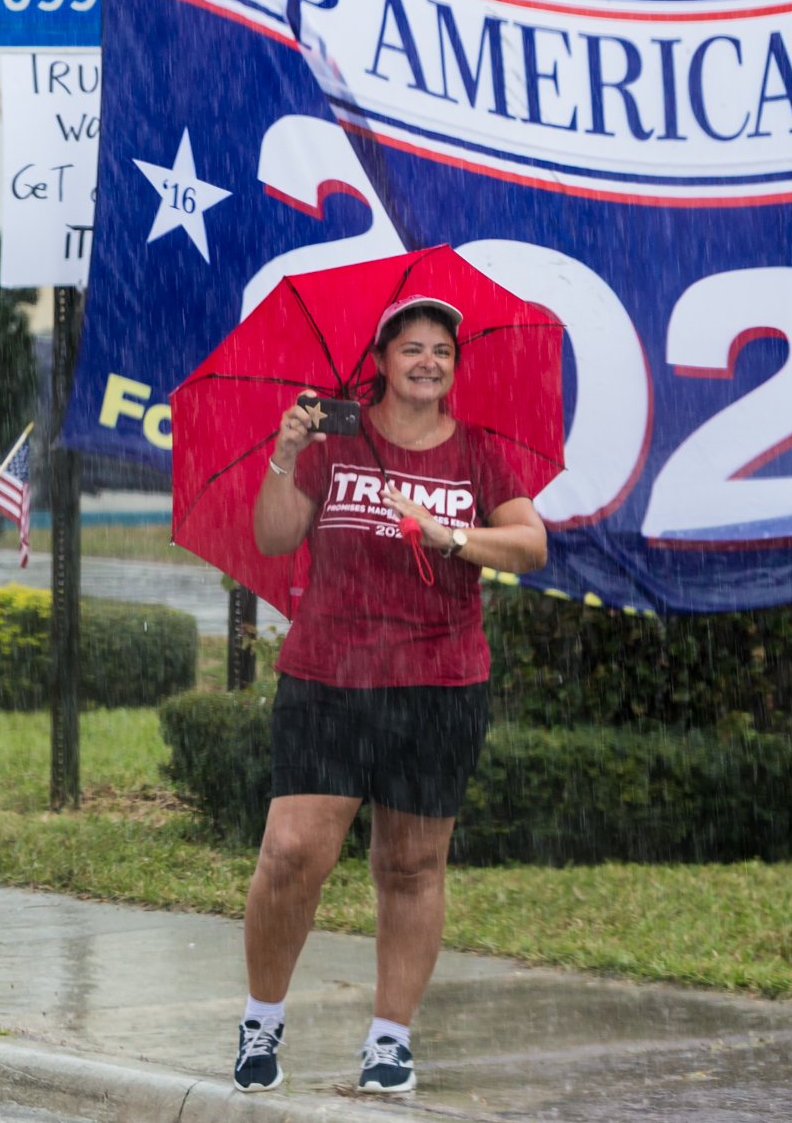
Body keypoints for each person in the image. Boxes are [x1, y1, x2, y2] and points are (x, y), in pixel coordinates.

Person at [236, 296, 548, 1097]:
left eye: (442, 350)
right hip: (328, 677)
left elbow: (531, 543)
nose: (428, 362)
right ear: (380, 361)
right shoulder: (335, 442)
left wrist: (451, 536)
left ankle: (389, 1039)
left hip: (439, 685)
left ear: (454, 366)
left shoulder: (477, 453)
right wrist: (284, 453)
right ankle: (261, 1018)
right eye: (412, 348)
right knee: (291, 852)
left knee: (410, 864)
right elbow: (273, 536)